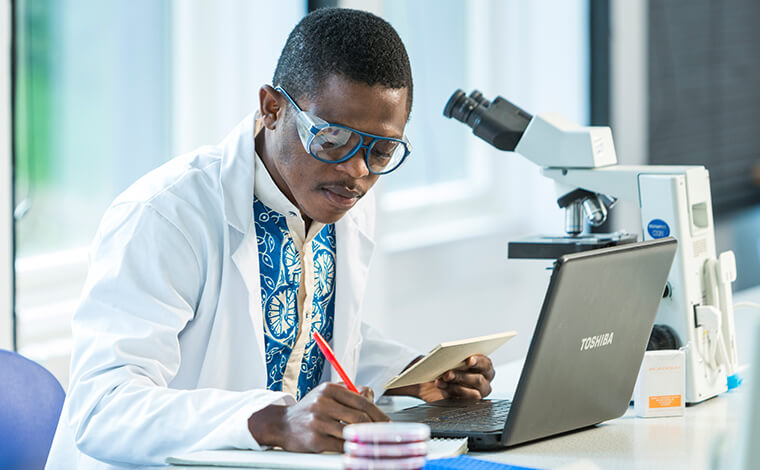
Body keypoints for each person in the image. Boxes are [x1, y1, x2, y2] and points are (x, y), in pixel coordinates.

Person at [45, 8, 495, 468]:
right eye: (332, 138)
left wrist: (408, 376)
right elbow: (102, 408)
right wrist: (271, 422)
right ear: (272, 108)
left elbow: (308, 334)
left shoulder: (341, 197)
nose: (357, 171)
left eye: (381, 151)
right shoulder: (166, 215)